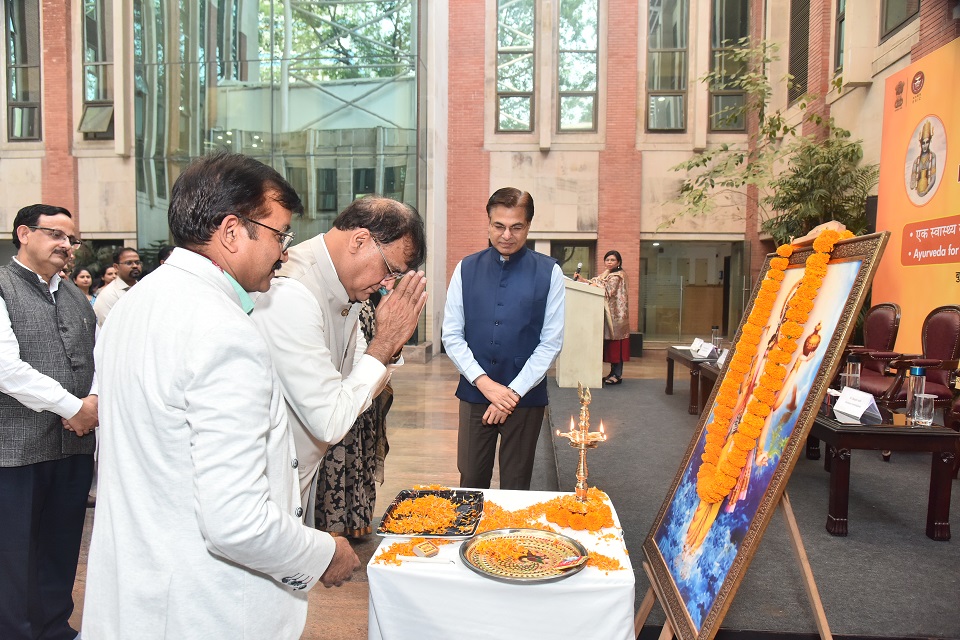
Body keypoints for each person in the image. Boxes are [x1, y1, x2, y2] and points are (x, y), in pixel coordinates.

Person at [82, 152, 360, 639]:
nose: (284, 253)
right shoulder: (222, 331)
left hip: (138, 588)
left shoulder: (136, 302)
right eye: (279, 235)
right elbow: (236, 521)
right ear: (232, 232)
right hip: (206, 606)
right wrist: (322, 553)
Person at [251, 195, 427, 524]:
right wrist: (385, 342)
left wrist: (391, 346)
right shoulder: (292, 292)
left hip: (298, 476)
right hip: (265, 490)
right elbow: (330, 419)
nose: (388, 284)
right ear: (360, 240)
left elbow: (356, 382)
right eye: (390, 270)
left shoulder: (344, 287)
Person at [0, 203, 99, 640]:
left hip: (73, 446)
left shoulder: (76, 296)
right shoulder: (3, 286)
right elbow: (6, 368)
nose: (66, 245)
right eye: (56, 234)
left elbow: (99, 357)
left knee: (61, 547)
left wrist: (93, 400)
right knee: (14, 554)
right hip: (16, 450)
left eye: (71, 238)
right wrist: (72, 407)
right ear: (24, 234)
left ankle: (55, 629)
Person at [442, 187, 565, 490]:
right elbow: (452, 335)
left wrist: (511, 393)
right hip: (475, 394)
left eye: (516, 227)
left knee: (516, 485)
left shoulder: (549, 272)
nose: (506, 235)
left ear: (528, 226)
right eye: (499, 226)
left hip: (526, 398)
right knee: (471, 480)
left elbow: (550, 342)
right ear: (488, 223)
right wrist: (485, 384)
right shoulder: (465, 268)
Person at [314, 298, 394, 537]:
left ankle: (353, 521)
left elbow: (364, 358)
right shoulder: (319, 302)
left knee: (357, 461)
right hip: (332, 398)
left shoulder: (362, 305)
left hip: (359, 396)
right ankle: (330, 529)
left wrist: (390, 346)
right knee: (334, 466)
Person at [573, 249, 630, 385]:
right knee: (611, 348)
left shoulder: (618, 276)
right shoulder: (607, 274)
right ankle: (612, 373)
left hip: (617, 317)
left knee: (616, 347)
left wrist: (592, 284)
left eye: (612, 260)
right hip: (607, 314)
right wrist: (582, 280)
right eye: (607, 260)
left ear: (618, 262)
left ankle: (617, 375)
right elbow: (596, 282)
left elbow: (607, 291)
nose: (609, 262)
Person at [92, 246, 142, 325]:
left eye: (137, 262)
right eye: (129, 263)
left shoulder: (144, 288)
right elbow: (107, 327)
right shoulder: (108, 295)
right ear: (116, 267)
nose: (135, 266)